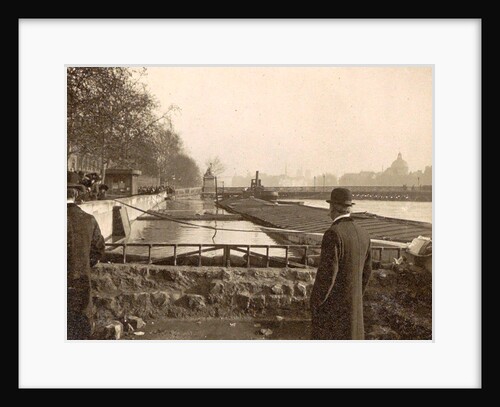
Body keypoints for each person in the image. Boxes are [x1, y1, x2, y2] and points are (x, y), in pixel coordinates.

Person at [310, 188, 372, 340]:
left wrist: (315, 303)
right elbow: (367, 273)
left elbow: (327, 276)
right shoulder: (364, 234)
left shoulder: (333, 233)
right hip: (355, 311)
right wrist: (355, 297)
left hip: (333, 314)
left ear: (333, 208)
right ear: (349, 208)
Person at [67, 187, 105, 339]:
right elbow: (99, 249)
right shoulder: (89, 219)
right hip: (81, 276)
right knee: (81, 319)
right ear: (75, 196)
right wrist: (85, 264)